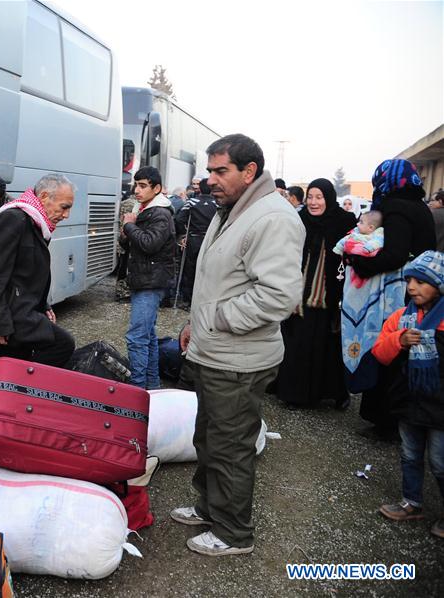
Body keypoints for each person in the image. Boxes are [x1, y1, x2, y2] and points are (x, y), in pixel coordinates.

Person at [173, 134, 304, 556]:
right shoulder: (231, 209)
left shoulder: (273, 219)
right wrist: (197, 323)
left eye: (220, 171)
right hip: (216, 351)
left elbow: (279, 296)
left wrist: (216, 320)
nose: (210, 179)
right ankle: (210, 508)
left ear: (250, 172)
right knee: (208, 439)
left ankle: (233, 534)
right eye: (209, 170)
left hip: (240, 360)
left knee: (230, 447)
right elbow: (221, 278)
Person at [342, 159, 436, 439]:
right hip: (420, 292)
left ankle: (387, 423)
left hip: (398, 295)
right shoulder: (419, 207)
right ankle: (393, 421)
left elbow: (394, 254)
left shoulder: (396, 208)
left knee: (388, 353)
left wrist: (359, 262)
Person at [371, 251, 444, 539]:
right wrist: (398, 340)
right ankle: (412, 502)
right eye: (410, 280)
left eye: (421, 282)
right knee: (410, 454)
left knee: (440, 461)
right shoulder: (401, 317)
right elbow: (379, 352)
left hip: (441, 406)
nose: (412, 287)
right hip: (409, 401)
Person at [0, 173, 76, 367]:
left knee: (16, 366)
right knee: (63, 344)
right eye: (64, 207)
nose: (66, 215)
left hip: (21, 313)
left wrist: (43, 305)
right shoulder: (13, 218)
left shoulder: (34, 221)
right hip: (10, 317)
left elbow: (28, 274)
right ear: (44, 196)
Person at [276, 178, 356, 409]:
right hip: (299, 296)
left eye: (319, 197)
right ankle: (295, 394)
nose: (313, 202)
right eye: (310, 197)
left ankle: (332, 393)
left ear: (329, 198)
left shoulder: (344, 222)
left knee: (327, 347)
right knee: (297, 344)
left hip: (329, 296)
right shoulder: (300, 220)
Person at [121, 166, 176, 389]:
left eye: (143, 186)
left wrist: (129, 225)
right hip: (144, 279)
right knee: (148, 337)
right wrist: (127, 231)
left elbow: (149, 243)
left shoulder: (160, 213)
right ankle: (152, 387)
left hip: (151, 282)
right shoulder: (143, 209)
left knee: (137, 338)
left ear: (157, 188)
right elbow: (129, 243)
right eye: (136, 185)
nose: (137, 190)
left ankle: (138, 389)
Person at [174, 179, 218, 305]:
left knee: (190, 269)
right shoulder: (217, 204)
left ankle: (188, 299)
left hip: (193, 238)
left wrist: (184, 233)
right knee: (207, 269)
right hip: (210, 239)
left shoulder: (191, 202)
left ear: (200, 189)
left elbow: (179, 219)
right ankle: (204, 297)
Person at [333, 210, 384, 288]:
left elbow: (378, 242)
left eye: (361, 222)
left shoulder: (377, 235)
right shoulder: (356, 232)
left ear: (370, 227)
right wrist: (339, 248)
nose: (357, 224)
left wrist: (369, 247)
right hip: (353, 267)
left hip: (366, 266)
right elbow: (346, 239)